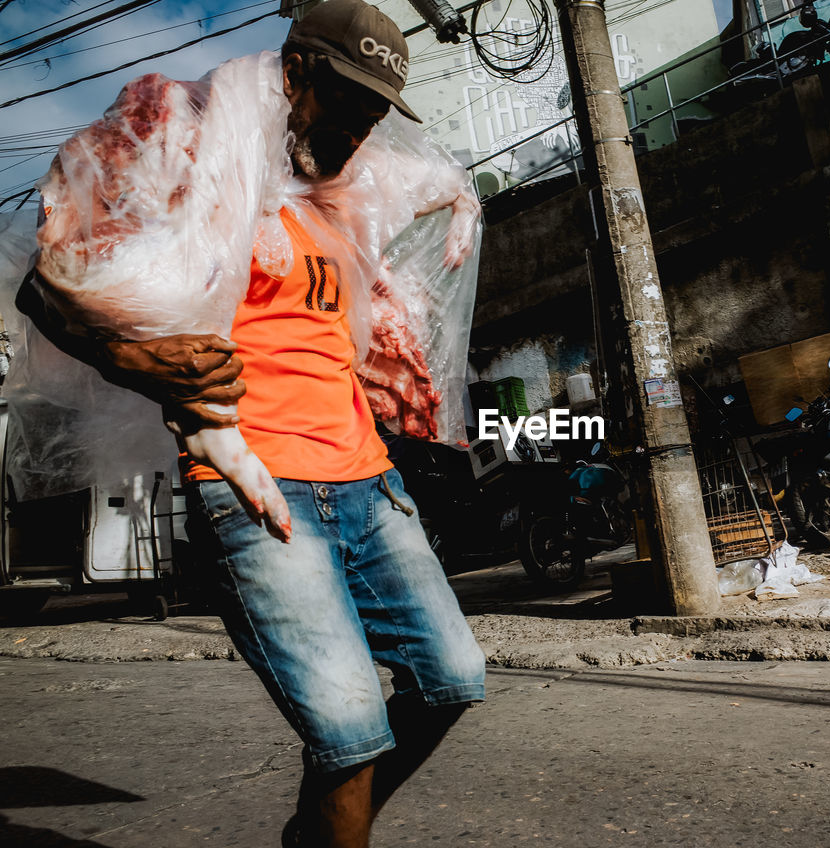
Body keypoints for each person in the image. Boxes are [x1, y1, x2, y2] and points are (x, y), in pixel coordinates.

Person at [17, 1, 486, 846]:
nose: (357, 128)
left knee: (453, 679)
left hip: (369, 482)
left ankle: (315, 835)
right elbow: (47, 282)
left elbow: (432, 185)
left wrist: (460, 201)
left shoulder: (344, 196)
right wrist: (134, 362)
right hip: (256, 488)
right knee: (347, 737)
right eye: (344, 102)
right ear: (295, 72)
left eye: (374, 112)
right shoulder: (201, 171)